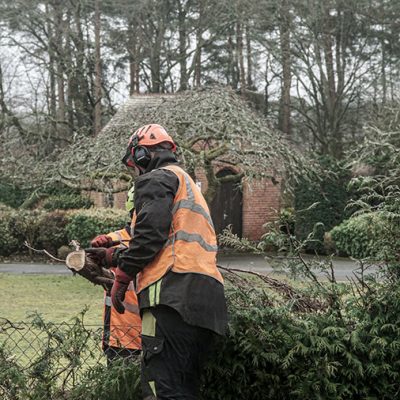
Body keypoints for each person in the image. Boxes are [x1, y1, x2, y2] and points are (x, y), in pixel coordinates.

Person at [91, 124, 227, 399]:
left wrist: (122, 274)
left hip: (170, 298)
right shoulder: (188, 186)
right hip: (206, 301)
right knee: (184, 389)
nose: (137, 172)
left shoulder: (156, 179)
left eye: (135, 163)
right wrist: (114, 251)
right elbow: (165, 239)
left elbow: (150, 236)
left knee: (160, 388)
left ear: (142, 154)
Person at [90, 186, 142, 364]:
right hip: (119, 335)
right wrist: (98, 249)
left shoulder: (164, 243)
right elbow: (93, 258)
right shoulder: (115, 238)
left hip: (152, 334)